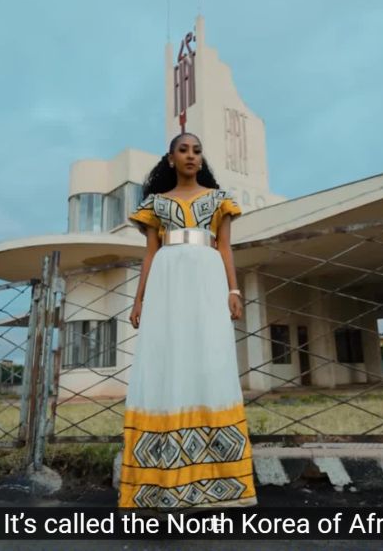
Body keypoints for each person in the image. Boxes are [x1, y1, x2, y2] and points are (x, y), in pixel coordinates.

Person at [118, 132, 258, 513]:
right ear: (171, 159)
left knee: (210, 356)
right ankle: (161, 481)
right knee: (168, 357)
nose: (191, 155)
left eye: (197, 150)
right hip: (167, 283)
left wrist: (234, 290)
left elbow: (225, 247)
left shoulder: (219, 199)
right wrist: (139, 299)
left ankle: (219, 480)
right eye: (183, 150)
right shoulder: (155, 204)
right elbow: (151, 253)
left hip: (208, 280)